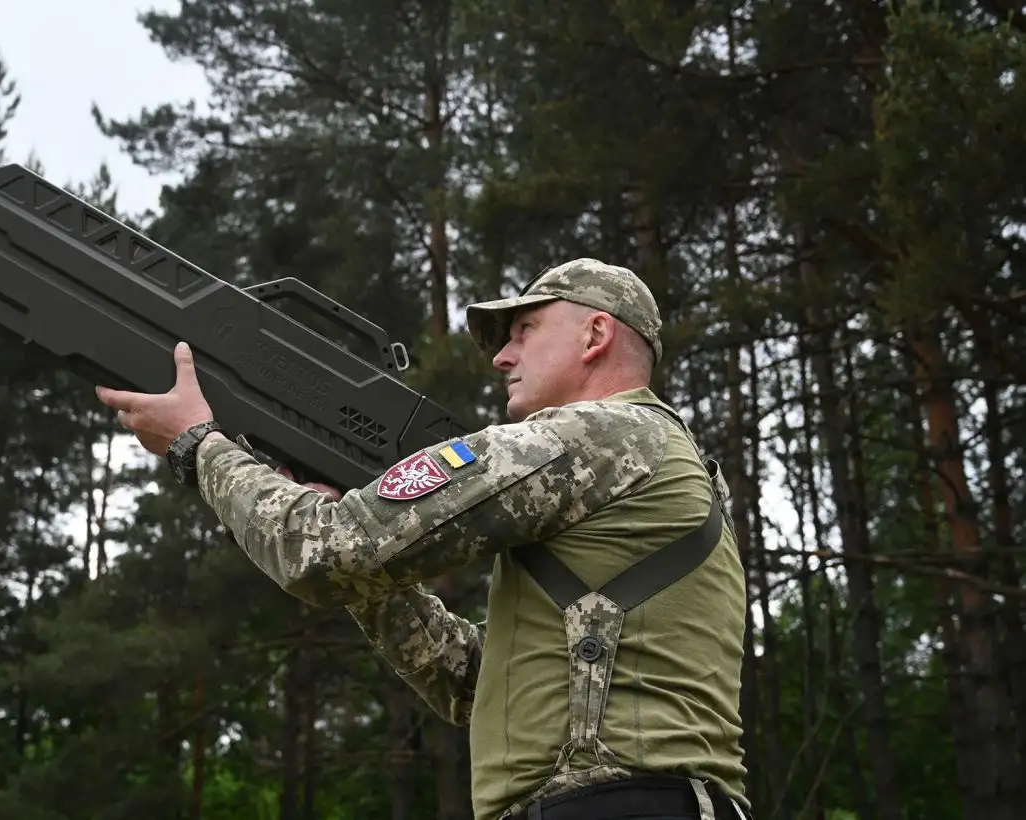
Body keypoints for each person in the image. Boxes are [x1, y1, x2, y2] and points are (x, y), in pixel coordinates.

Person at [95, 258, 751, 820]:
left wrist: (199, 444)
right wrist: (373, 588)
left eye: (524, 330)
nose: (502, 355)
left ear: (595, 335)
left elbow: (322, 551)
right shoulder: (656, 461)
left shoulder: (605, 436)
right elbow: (471, 683)